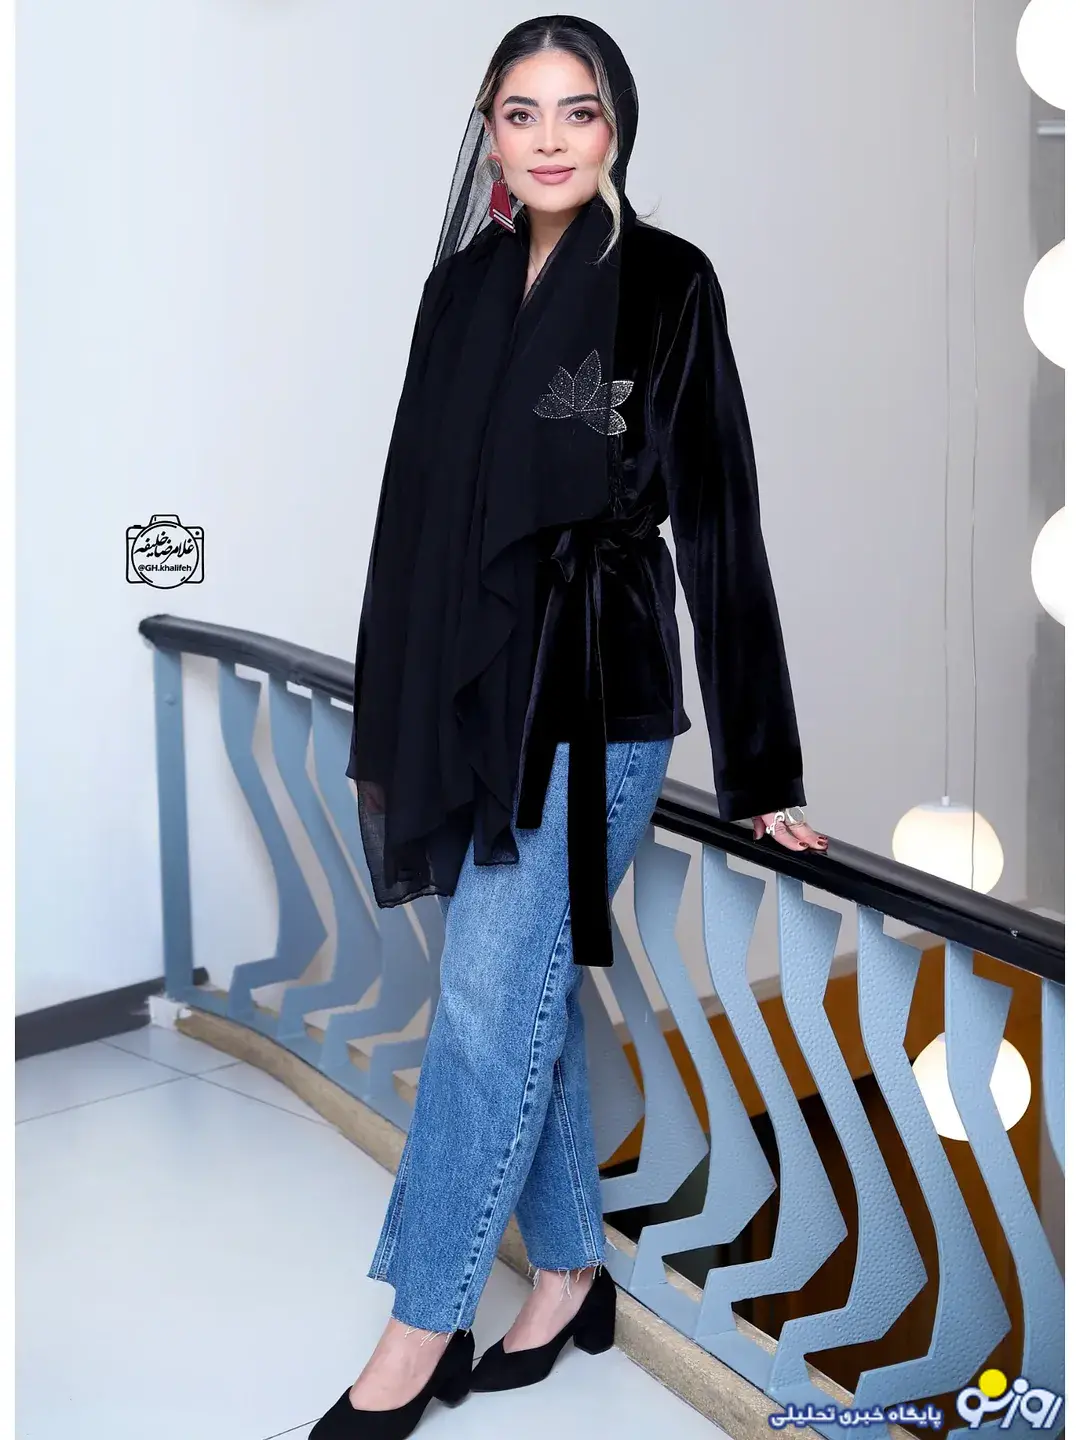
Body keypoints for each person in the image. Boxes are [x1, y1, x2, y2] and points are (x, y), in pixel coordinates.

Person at [315, 15, 828, 1438]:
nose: (550, 139)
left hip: (600, 695)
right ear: (488, 130)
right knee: (516, 986)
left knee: (491, 995)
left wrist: (765, 764)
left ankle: (417, 1332)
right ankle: (572, 1273)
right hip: (478, 687)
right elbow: (413, 509)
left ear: (617, 127)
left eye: (579, 110)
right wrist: (406, 692)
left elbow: (719, 514)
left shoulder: (667, 282)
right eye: (522, 112)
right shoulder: (461, 287)